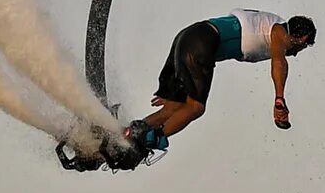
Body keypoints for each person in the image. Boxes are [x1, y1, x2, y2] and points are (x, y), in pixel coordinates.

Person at [125, 10, 314, 153]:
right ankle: (151, 139)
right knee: (195, 108)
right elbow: (279, 62)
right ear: (302, 38)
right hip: (202, 41)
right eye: (303, 46)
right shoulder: (280, 32)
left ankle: (124, 138)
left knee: (173, 109)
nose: (297, 53)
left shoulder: (269, 24)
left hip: (189, 37)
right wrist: (279, 99)